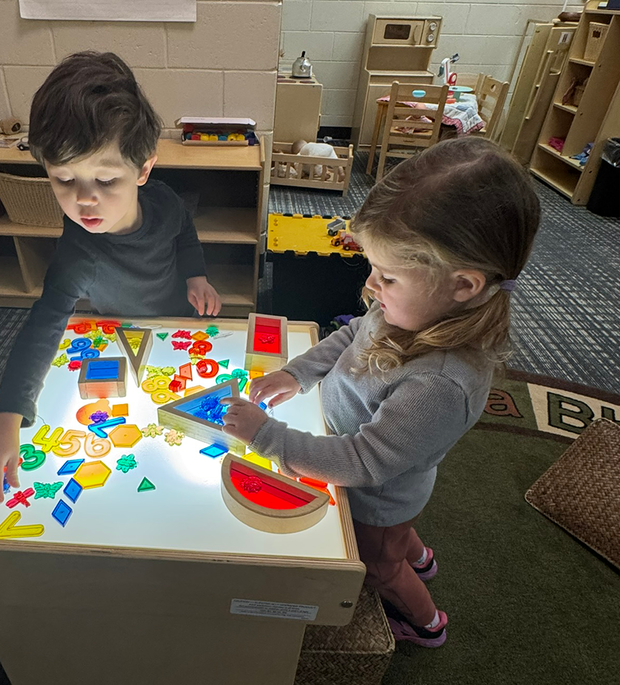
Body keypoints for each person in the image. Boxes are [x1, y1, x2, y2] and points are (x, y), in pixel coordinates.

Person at [222, 137, 540, 648]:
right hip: (378, 470)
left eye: (388, 276)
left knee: (377, 564)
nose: (371, 287)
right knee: (397, 543)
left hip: (378, 494)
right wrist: (298, 374)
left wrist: (268, 437)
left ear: (463, 285)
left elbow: (364, 461)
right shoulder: (411, 309)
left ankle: (425, 622)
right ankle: (417, 554)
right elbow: (352, 335)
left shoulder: (440, 383)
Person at [0, 51, 221, 502]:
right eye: (64, 179)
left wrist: (196, 275)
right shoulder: (78, 252)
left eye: (106, 181)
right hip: (117, 329)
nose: (84, 201)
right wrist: (7, 416)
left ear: (143, 169)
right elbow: (44, 322)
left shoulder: (165, 201)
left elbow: (184, 232)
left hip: (176, 320)